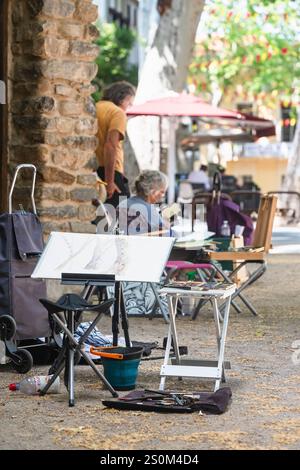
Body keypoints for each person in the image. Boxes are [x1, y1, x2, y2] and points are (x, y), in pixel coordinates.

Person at [95, 81, 136, 208]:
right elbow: (110, 146)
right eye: (129, 103)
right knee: (120, 215)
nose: (128, 107)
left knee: (100, 217)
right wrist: (110, 181)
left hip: (92, 169)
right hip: (109, 170)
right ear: (122, 97)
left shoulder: (94, 107)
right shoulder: (117, 113)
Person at [117, 170, 169, 235]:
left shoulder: (123, 203)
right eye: (162, 192)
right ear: (151, 189)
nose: (163, 196)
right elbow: (165, 233)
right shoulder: (148, 209)